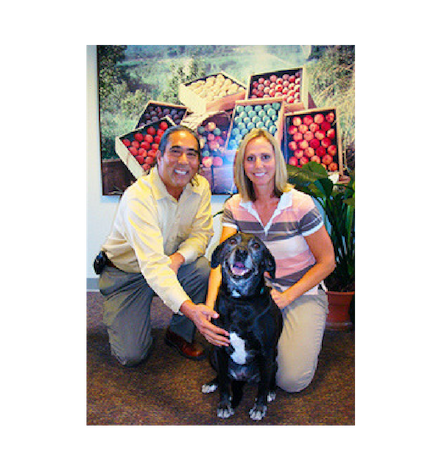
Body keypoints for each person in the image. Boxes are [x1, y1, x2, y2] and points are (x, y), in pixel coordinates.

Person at [206, 129, 336, 393]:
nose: (258, 165)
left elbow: (327, 261)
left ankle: (292, 341)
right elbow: (223, 262)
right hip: (255, 299)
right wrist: (210, 311)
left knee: (290, 381)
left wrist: (286, 297)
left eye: (265, 157)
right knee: (226, 355)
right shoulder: (235, 206)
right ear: (242, 164)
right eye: (250, 159)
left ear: (277, 161)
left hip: (301, 293)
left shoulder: (300, 205)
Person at [98, 125, 230, 367]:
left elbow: (202, 235)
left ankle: (178, 334)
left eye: (191, 154)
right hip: (127, 274)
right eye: (175, 152)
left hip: (170, 265)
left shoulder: (200, 188)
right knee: (131, 355)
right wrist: (192, 310)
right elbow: (154, 266)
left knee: (201, 269)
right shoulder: (138, 198)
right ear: (159, 157)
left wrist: (179, 258)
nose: (183, 161)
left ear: (198, 161)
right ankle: (134, 318)